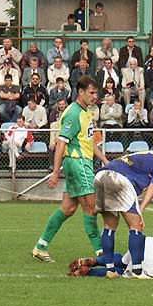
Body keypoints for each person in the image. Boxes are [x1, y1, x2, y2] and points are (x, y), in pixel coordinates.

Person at [32, 76, 110, 263]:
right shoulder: (73, 113)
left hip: (83, 162)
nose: (94, 96)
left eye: (95, 92)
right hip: (78, 163)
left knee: (68, 208)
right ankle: (102, 253)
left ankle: (40, 247)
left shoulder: (87, 112)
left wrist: (106, 160)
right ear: (80, 92)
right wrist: (56, 171)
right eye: (91, 92)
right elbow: (61, 143)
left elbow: (89, 142)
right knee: (91, 208)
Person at [93, 136, 153, 278]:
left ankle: (110, 269)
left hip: (101, 175)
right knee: (136, 226)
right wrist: (140, 210)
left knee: (109, 225)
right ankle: (137, 271)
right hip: (120, 179)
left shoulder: (143, 154)